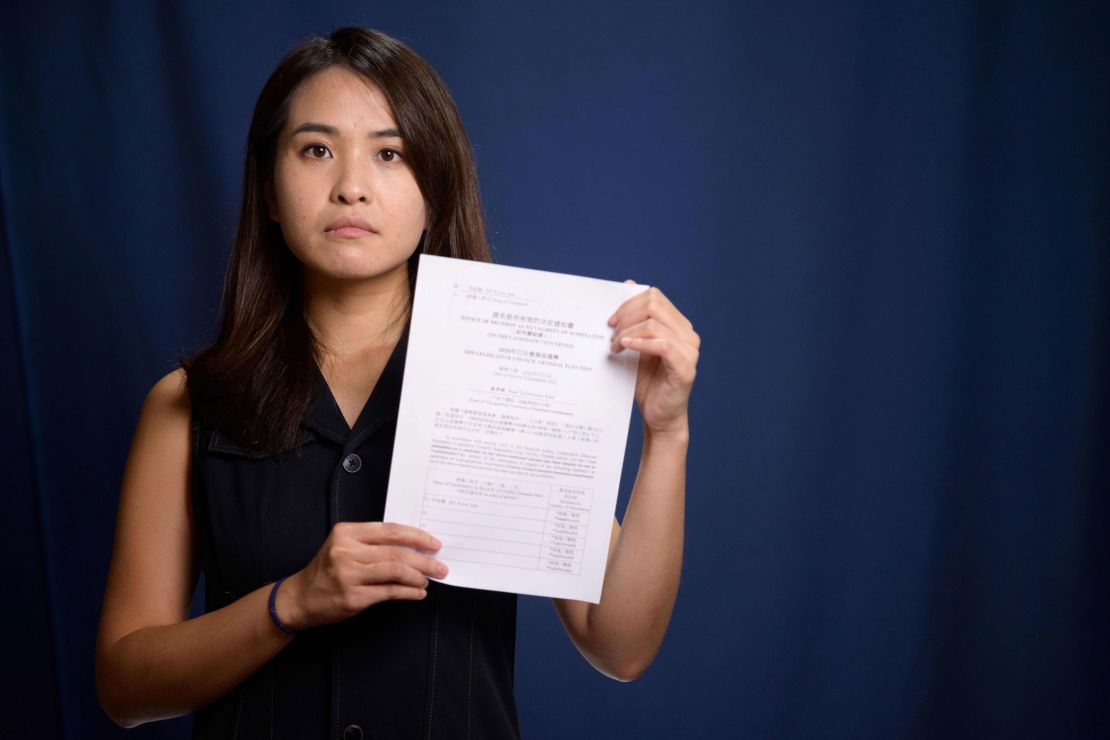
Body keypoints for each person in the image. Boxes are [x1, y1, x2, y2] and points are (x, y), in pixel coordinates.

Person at [95, 27, 699, 739]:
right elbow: (124, 683)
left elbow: (619, 645)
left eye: (390, 153)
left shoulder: (511, 372)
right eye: (316, 150)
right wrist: (290, 602)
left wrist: (666, 433)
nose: (351, 185)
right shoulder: (186, 403)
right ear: (268, 189)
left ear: (435, 184)